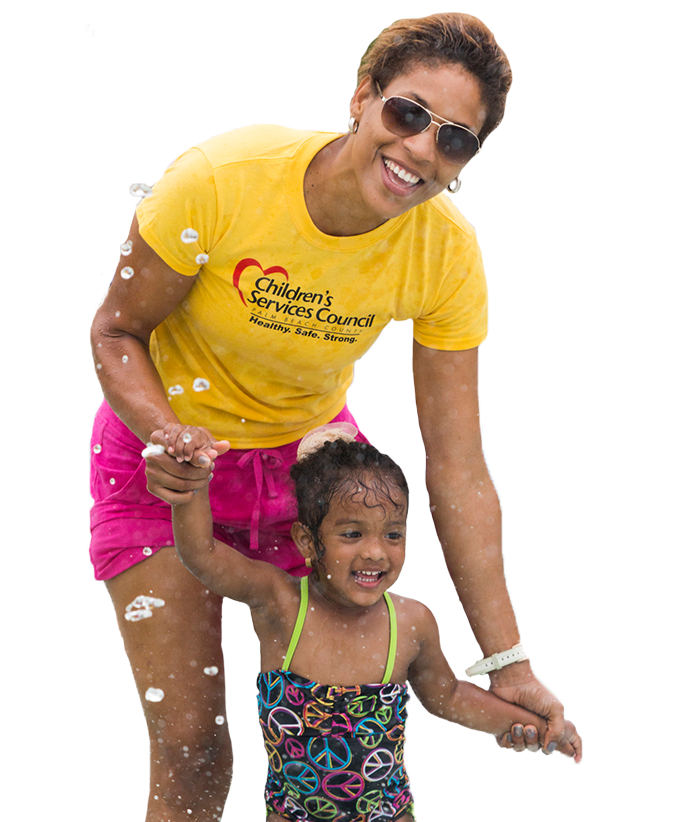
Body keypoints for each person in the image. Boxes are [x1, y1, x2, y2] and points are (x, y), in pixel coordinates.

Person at [88, 11, 581, 821]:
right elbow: (114, 329)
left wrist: (509, 662)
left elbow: (457, 463)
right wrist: (163, 432)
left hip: (313, 471)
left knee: (336, 743)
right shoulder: (221, 178)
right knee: (191, 744)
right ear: (362, 97)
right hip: (167, 464)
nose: (422, 149)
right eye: (409, 113)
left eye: (456, 139)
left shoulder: (445, 254)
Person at [144, 429, 581, 821]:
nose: (376, 552)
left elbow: (448, 696)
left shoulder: (409, 623)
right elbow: (201, 554)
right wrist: (193, 483)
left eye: (393, 534)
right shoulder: (281, 605)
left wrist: (531, 725)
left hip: (387, 814)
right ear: (306, 541)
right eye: (352, 534)